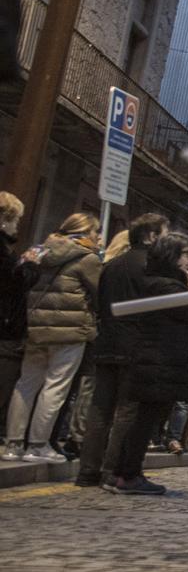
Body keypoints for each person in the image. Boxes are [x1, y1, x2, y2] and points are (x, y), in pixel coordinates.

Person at [102, 234, 188, 494]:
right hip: (158, 360)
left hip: (159, 359)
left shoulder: (162, 283)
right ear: (171, 256)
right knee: (144, 420)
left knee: (144, 419)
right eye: (186, 253)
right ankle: (128, 474)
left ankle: (123, 472)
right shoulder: (165, 286)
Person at [73, 214, 167, 486]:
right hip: (136, 345)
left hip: (107, 342)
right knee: (127, 410)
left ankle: (87, 470)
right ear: (150, 236)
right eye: (164, 233)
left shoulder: (111, 265)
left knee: (100, 408)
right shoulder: (153, 268)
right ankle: (112, 470)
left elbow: (100, 302)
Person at [3, 214, 101, 461]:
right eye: (95, 232)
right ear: (86, 232)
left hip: (35, 328)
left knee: (26, 384)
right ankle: (38, 445)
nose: (98, 237)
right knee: (55, 387)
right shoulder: (87, 258)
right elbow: (100, 294)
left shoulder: (38, 250)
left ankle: (13, 444)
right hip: (70, 331)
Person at [0, 192, 33, 415]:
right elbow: (12, 280)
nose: (17, 226)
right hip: (5, 324)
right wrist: (28, 265)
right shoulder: (4, 253)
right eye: (16, 220)